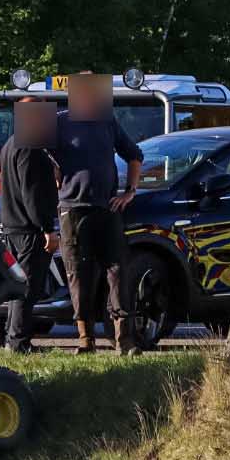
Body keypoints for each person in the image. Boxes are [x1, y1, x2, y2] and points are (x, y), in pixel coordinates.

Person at [53, 72, 143, 355]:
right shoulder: (59, 122)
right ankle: (85, 340)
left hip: (107, 208)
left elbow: (134, 155)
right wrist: (55, 183)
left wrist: (130, 191)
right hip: (73, 210)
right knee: (79, 273)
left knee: (118, 270)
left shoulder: (108, 122)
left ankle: (124, 340)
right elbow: (41, 158)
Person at [0, 98, 60, 354]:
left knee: (18, 286)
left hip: (13, 225)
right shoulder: (31, 148)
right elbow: (32, 193)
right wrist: (47, 228)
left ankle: (12, 338)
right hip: (29, 229)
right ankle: (18, 342)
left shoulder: (9, 144)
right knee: (29, 286)